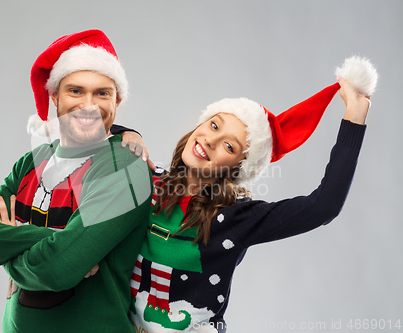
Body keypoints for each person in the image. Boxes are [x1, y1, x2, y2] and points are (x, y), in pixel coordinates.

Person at [128, 57, 377, 332]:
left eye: (229, 146)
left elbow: (323, 207)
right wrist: (128, 133)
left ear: (237, 168)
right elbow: (89, 145)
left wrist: (354, 118)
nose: (211, 140)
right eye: (214, 125)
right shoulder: (147, 182)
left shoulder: (237, 217)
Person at [0, 30, 153, 332]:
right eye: (75, 91)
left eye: (102, 93)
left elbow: (58, 269)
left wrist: (7, 247)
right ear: (55, 97)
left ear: (118, 100)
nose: (89, 104)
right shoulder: (31, 163)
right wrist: (50, 241)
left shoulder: (125, 166)